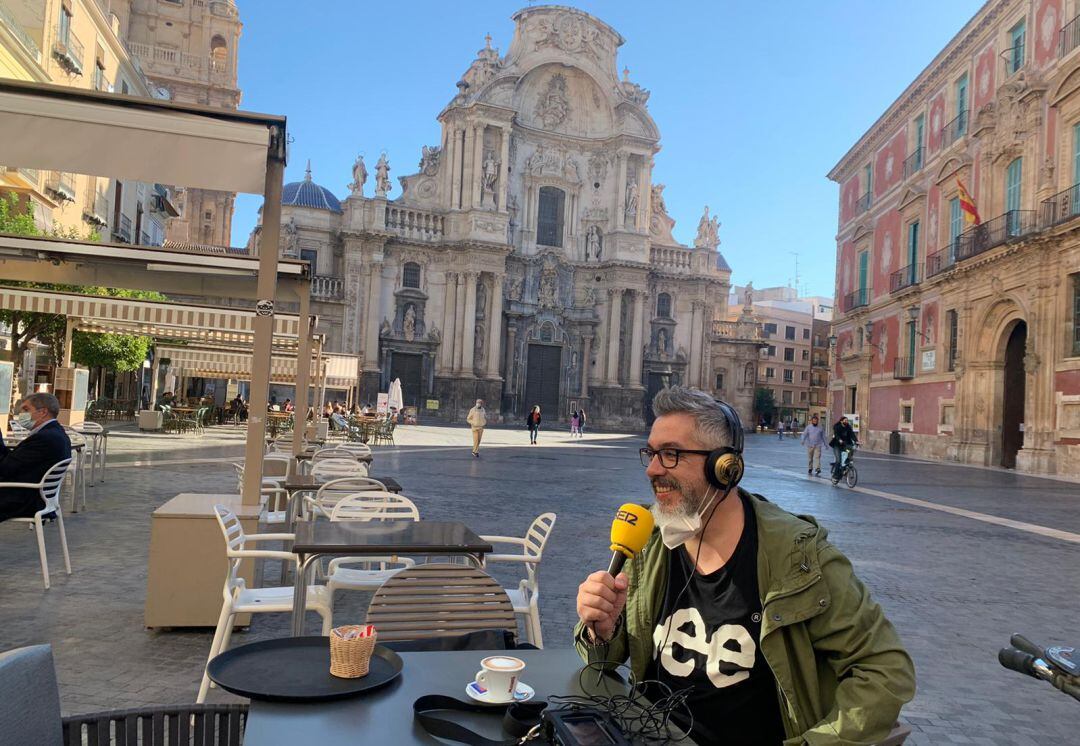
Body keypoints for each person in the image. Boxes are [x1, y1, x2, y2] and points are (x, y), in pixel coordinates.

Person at [574, 387, 914, 745]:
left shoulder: (799, 555)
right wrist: (602, 630)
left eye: (671, 454)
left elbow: (885, 669)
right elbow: (602, 663)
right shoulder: (649, 541)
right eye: (651, 454)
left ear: (724, 467)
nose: (653, 469)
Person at [0, 394, 73, 522]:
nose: (21, 414)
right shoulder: (55, 433)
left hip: (26, 500)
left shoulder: (44, 438)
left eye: (26, 409)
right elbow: (14, 461)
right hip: (39, 497)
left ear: (43, 412)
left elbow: (5, 469)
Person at [829, 415, 858, 482]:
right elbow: (836, 434)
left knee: (850, 450)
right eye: (845, 420)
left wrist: (857, 441)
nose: (846, 422)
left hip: (845, 446)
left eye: (847, 421)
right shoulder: (837, 427)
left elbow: (852, 434)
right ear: (841, 421)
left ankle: (845, 465)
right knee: (838, 460)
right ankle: (835, 476)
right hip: (837, 446)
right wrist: (839, 440)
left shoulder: (848, 427)